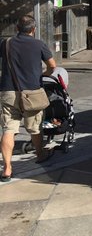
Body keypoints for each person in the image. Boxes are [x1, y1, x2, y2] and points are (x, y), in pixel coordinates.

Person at [0, 15, 57, 181]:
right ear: (34, 29)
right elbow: (52, 65)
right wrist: (44, 74)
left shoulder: (6, 43)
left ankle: (7, 169)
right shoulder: (39, 44)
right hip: (32, 92)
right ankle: (40, 154)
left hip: (8, 91)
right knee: (34, 127)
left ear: (17, 28)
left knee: (9, 129)